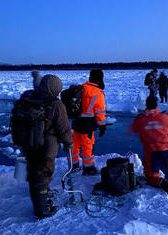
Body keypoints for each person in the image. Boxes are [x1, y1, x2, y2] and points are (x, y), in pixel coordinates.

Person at [13, 75, 72, 219]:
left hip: (28, 144)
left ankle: (42, 196)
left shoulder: (29, 97)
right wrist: (69, 142)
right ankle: (42, 210)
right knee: (43, 174)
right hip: (46, 147)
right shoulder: (56, 104)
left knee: (35, 171)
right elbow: (63, 128)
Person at [131, 96, 168, 199]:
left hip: (152, 153)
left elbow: (133, 129)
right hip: (167, 150)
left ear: (146, 104)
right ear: (156, 105)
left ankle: (167, 186)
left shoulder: (141, 119)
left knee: (151, 177)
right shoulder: (165, 118)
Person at [72, 69, 106, 175]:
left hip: (76, 122)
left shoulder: (81, 88)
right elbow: (100, 113)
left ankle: (74, 165)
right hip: (88, 125)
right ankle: (88, 168)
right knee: (87, 146)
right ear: (100, 78)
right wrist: (102, 126)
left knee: (75, 144)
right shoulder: (98, 93)